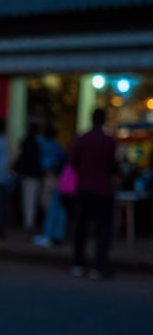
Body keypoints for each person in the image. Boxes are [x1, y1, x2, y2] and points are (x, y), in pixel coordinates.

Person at [69, 108, 119, 279]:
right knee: (103, 229)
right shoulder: (109, 142)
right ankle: (99, 265)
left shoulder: (82, 140)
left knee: (81, 227)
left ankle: (78, 264)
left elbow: (73, 162)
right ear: (104, 120)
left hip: (84, 188)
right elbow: (113, 166)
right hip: (103, 189)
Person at [34, 125, 68, 247]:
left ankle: (49, 234)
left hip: (49, 178)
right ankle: (56, 234)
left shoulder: (42, 144)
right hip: (57, 178)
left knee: (50, 207)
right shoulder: (57, 147)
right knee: (57, 207)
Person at [14, 122, 44, 233]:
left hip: (28, 176)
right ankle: (29, 224)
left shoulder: (29, 142)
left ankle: (28, 224)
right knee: (31, 201)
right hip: (33, 176)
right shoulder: (37, 143)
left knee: (28, 201)